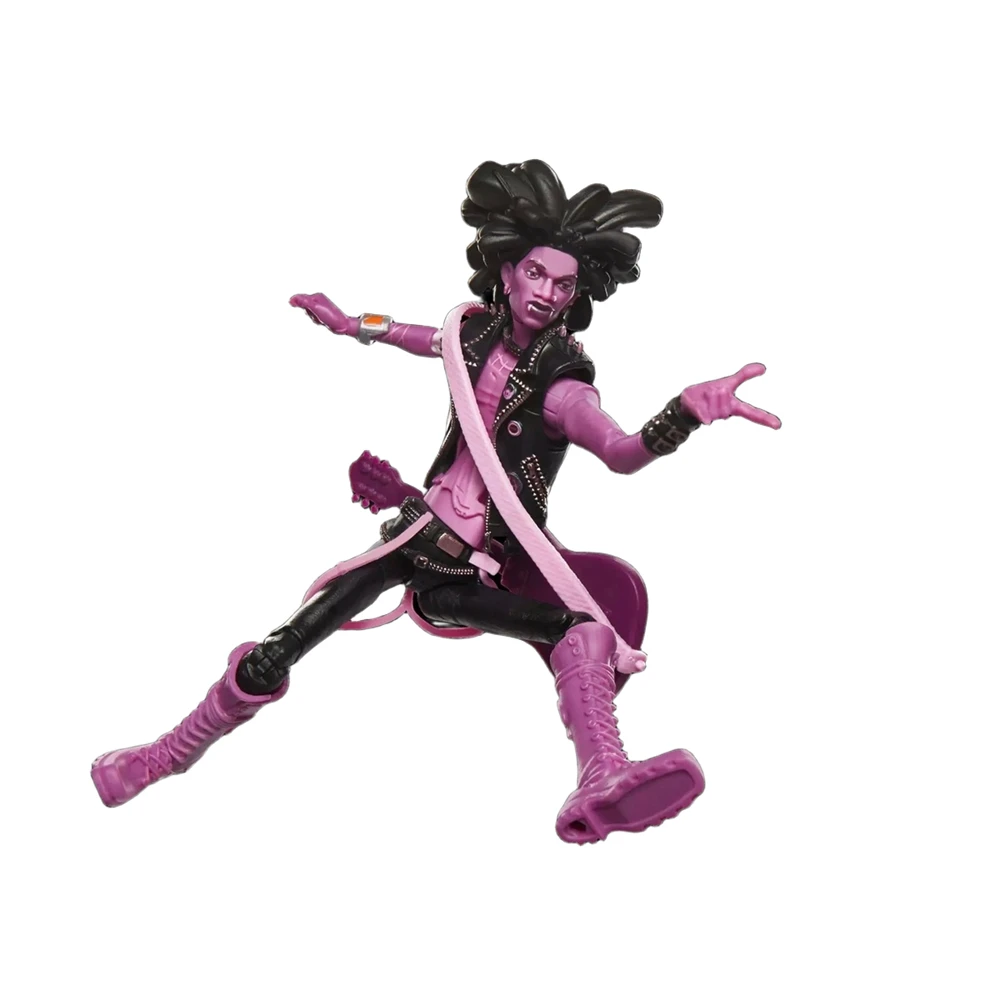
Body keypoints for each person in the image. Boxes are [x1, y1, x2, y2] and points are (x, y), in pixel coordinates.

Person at [92, 160, 780, 844]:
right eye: (535, 273)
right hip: (410, 534)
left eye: (563, 284)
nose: (546, 293)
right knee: (275, 652)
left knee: (581, 632)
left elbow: (622, 451)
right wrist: (349, 324)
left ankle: (603, 772)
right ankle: (164, 756)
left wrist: (683, 414)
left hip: (467, 573)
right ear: (507, 269)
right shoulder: (469, 335)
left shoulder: (563, 386)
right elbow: (413, 335)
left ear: (577, 295)